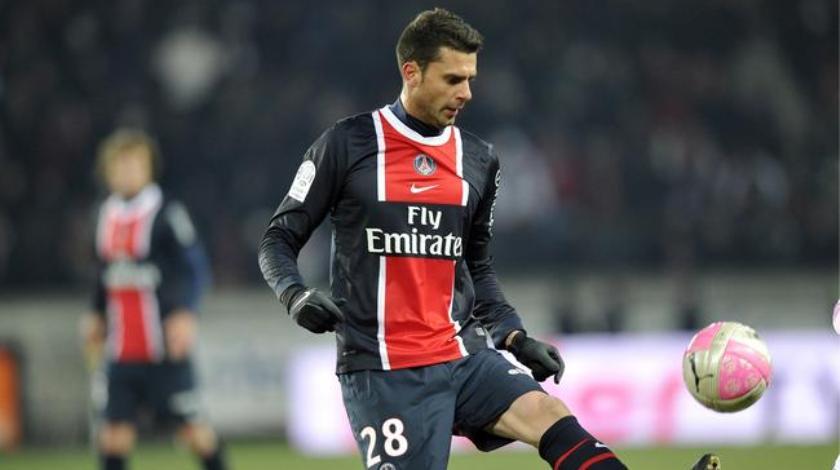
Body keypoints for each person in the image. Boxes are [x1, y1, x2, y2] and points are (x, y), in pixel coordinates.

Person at [259, 8, 719, 470]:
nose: (466, 93)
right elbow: (277, 239)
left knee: (548, 415)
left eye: (470, 79)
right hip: (384, 370)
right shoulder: (347, 144)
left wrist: (513, 336)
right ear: (411, 72)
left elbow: (475, 267)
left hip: (462, 355)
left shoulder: (478, 160)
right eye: (453, 79)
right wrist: (294, 294)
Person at [80, 128, 227, 470]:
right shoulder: (102, 215)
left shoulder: (167, 212)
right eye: (121, 165)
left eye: (135, 164)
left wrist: (186, 313)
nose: (128, 172)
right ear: (108, 171)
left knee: (194, 433)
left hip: (164, 349)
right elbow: (103, 273)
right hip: (121, 351)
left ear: (148, 169)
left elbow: (195, 269)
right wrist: (95, 313)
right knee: (113, 436)